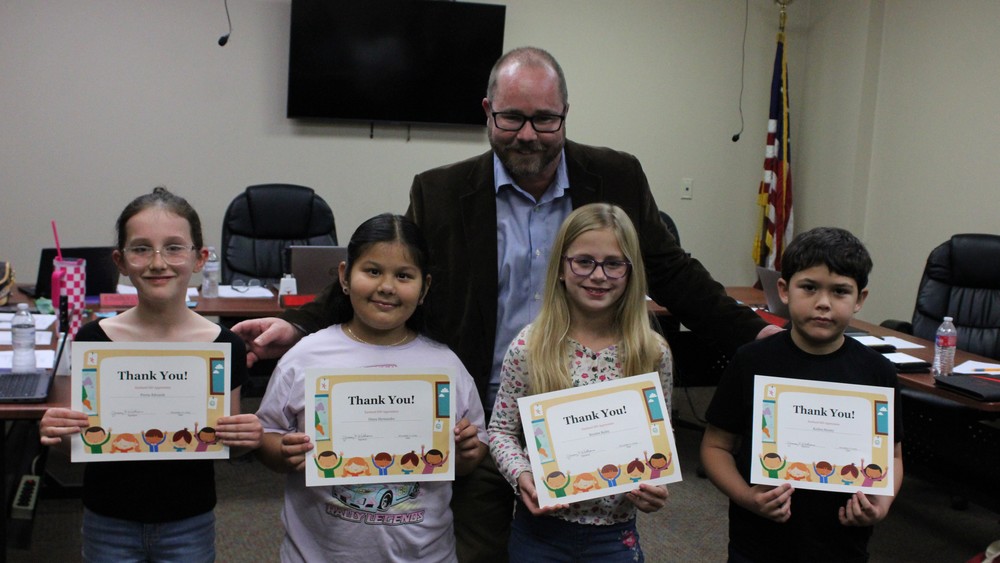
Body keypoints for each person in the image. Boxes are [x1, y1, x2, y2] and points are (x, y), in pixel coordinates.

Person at [233, 46, 777, 561]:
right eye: (512, 118)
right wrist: (299, 325)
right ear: (488, 112)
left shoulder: (616, 176)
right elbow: (394, 271)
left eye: (545, 119)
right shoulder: (440, 191)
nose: (528, 135)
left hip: (587, 422)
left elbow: (672, 270)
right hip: (490, 420)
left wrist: (752, 335)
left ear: (565, 114)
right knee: (480, 551)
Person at [38, 187, 263, 562]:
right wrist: (58, 432)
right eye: (141, 249)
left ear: (199, 258)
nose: (158, 262)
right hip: (108, 517)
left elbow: (228, 445)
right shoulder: (94, 340)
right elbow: (78, 442)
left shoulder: (223, 346)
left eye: (174, 248)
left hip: (188, 519)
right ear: (121, 261)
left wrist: (247, 438)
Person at [254, 214, 488, 562]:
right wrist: (281, 451)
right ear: (344, 276)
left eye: (404, 276)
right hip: (320, 554)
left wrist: (468, 452)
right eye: (373, 271)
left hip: (424, 554)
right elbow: (267, 433)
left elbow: (474, 445)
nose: (387, 286)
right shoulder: (305, 356)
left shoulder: (445, 365)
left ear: (424, 288)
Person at [700, 227, 903, 562]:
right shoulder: (752, 361)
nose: (823, 303)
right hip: (760, 543)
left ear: (860, 299)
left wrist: (881, 505)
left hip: (842, 545)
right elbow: (715, 446)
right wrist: (747, 497)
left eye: (840, 291)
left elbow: (892, 457)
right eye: (809, 287)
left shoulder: (876, 371)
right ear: (784, 290)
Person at [488, 204, 670, 561]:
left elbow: (660, 434)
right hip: (540, 531)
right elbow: (500, 431)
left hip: (615, 533)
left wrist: (657, 482)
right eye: (584, 262)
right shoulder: (530, 346)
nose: (598, 276)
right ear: (560, 268)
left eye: (613, 264)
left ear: (631, 271)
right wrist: (522, 475)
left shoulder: (651, 351)